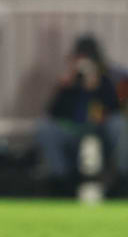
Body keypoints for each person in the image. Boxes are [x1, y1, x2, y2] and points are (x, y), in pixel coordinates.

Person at [37, 35, 127, 197]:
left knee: (119, 124)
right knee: (46, 128)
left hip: (102, 132)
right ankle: (60, 180)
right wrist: (69, 85)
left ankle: (123, 179)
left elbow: (115, 108)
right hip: (74, 131)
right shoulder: (70, 82)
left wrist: (97, 85)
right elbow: (54, 112)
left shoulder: (108, 80)